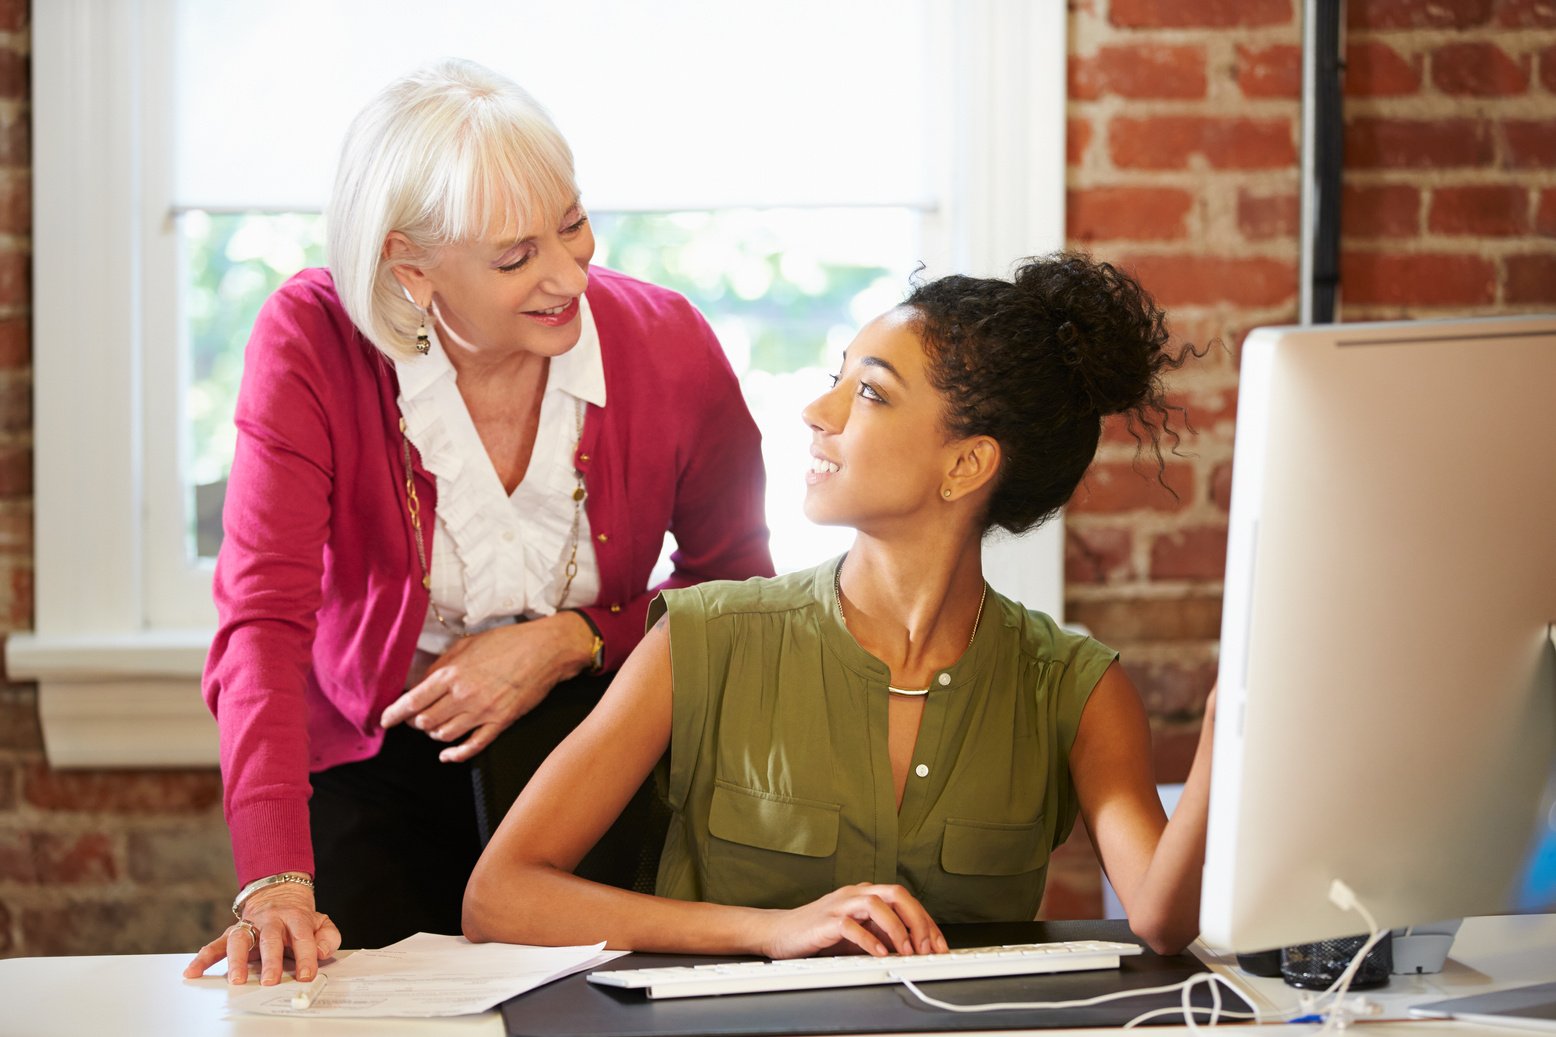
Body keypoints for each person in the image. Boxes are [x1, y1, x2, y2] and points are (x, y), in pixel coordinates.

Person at [182, 59, 773, 986]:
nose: (568, 274)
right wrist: (275, 881)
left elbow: (739, 586)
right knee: (359, 996)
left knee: (595, 1006)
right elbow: (263, 621)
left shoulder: (669, 342)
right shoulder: (311, 337)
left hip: (598, 740)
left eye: (572, 223)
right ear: (409, 268)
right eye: (514, 256)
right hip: (372, 740)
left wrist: (571, 639)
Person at [462, 252, 1214, 958]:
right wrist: (772, 929)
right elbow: (500, 896)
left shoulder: (1076, 689)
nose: (818, 411)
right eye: (837, 377)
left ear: (966, 464)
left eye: (871, 392)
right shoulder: (704, 639)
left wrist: (1231, 723)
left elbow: (1158, 917)